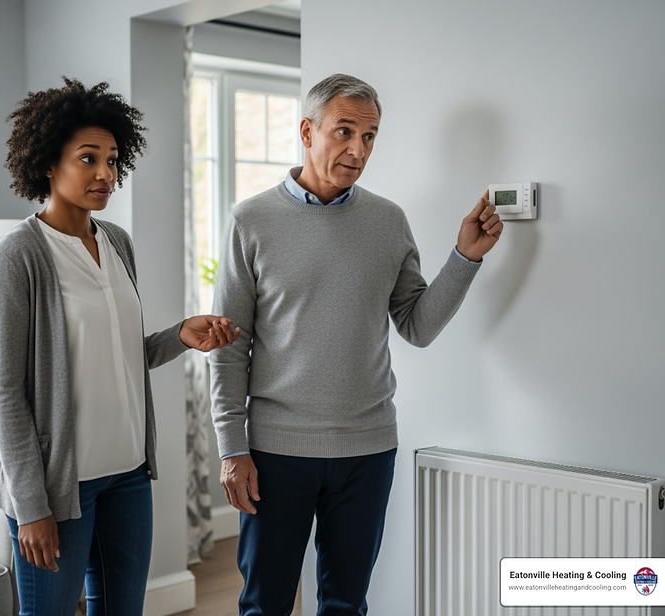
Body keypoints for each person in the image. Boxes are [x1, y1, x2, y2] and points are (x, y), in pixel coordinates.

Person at [209, 73, 503, 615]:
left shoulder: (388, 221)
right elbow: (229, 346)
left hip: (367, 450)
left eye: (369, 137)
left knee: (347, 604)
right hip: (276, 452)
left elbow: (417, 324)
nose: (358, 149)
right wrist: (233, 447)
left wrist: (466, 258)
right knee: (264, 604)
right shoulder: (249, 220)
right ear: (307, 130)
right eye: (344, 132)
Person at [0, 77, 240, 616]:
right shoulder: (17, 256)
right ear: (48, 163)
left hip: (126, 474)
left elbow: (122, 353)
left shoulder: (117, 241)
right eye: (88, 158)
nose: (106, 173)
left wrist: (179, 336)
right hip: (59, 487)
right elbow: (6, 391)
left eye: (113, 159)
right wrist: (31, 506)